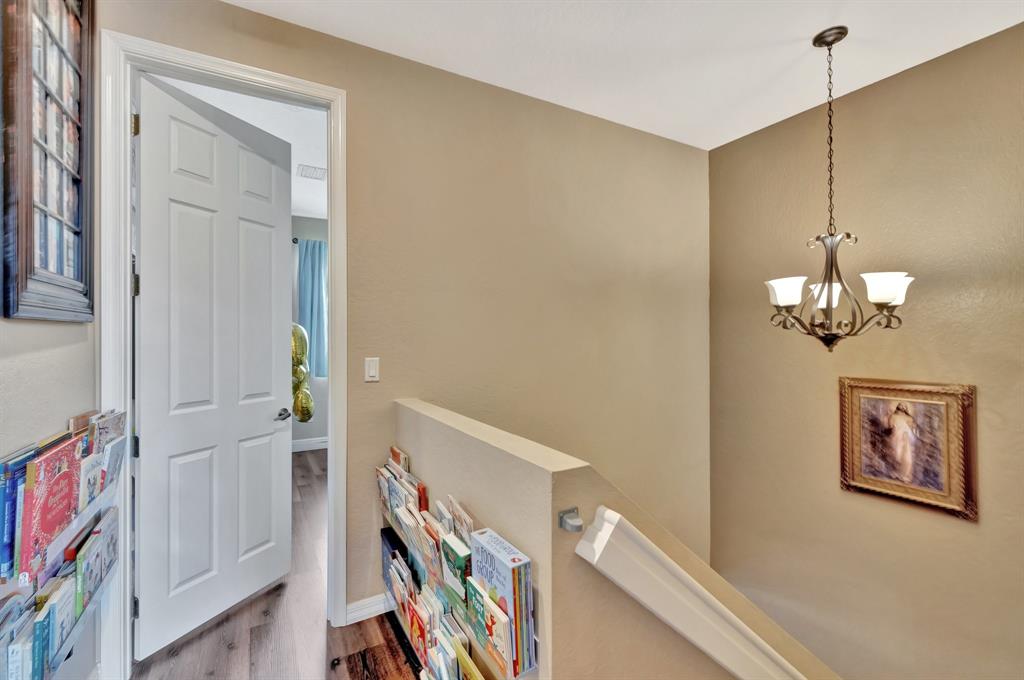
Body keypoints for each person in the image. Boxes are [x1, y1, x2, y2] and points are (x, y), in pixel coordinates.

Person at [888, 402, 918, 484]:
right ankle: (897, 473)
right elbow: (890, 426)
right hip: (896, 437)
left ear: (905, 409)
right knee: (896, 456)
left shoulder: (909, 418)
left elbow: (912, 428)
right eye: (900, 406)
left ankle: (906, 476)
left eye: (904, 407)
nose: (902, 408)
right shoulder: (893, 416)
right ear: (897, 407)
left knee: (906, 457)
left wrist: (908, 431)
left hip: (906, 438)